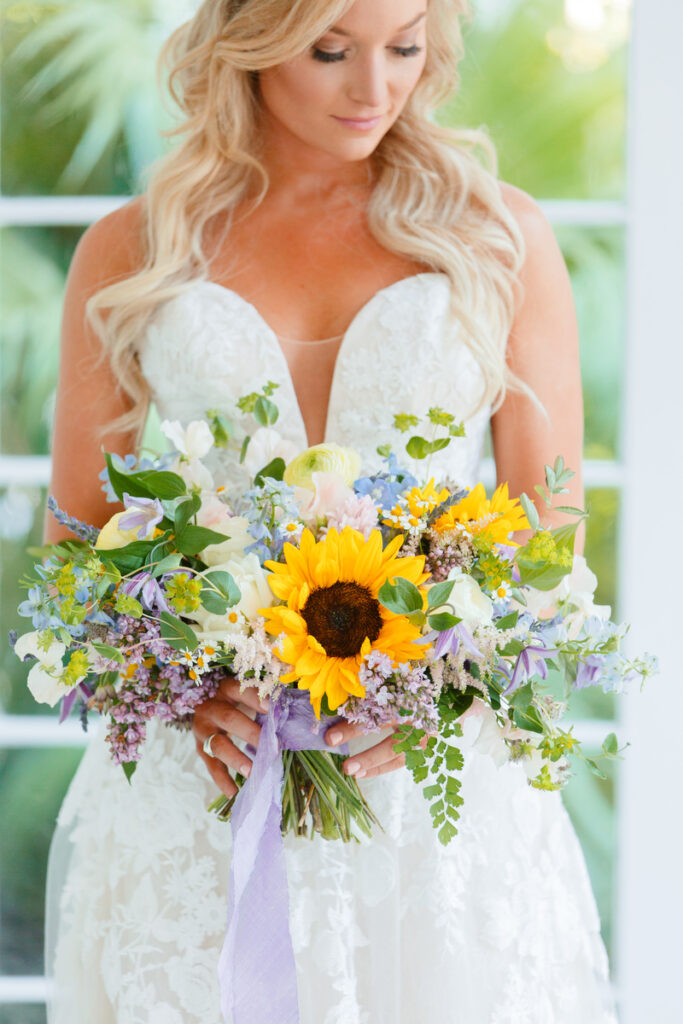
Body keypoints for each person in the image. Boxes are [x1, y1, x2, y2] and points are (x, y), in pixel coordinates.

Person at [43, 0, 617, 1021]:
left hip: (430, 812)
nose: (374, 90)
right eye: (329, 51)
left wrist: (444, 689)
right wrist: (180, 692)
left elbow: (544, 536)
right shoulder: (134, 250)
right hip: (201, 798)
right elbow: (78, 547)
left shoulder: (498, 239)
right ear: (248, 42)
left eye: (402, 47)